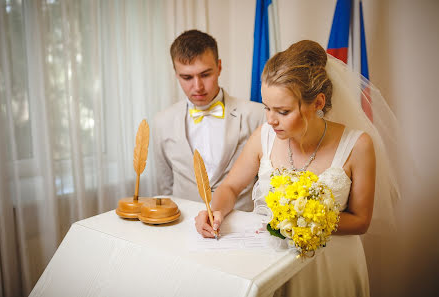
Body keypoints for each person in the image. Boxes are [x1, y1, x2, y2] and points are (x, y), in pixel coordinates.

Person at [195, 40, 399, 296]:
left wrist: (302, 220)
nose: (270, 119)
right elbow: (231, 186)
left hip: (332, 268)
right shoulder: (264, 136)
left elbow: (360, 221)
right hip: (271, 266)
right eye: (267, 108)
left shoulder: (358, 145)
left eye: (283, 111)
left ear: (318, 102)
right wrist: (215, 211)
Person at [153, 30, 265, 210]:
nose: (197, 86)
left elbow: (266, 183)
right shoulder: (161, 121)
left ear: (219, 67)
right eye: (187, 77)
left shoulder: (258, 114)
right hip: (183, 225)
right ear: (176, 73)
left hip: (242, 227)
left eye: (205, 74)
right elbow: (165, 186)